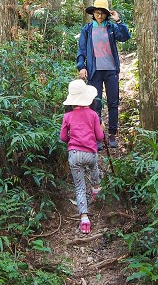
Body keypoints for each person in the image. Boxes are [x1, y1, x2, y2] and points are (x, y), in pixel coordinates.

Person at [76, 0, 131, 149]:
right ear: (93, 13)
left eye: (102, 13)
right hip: (94, 71)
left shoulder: (112, 28)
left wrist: (119, 20)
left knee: (113, 102)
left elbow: (125, 37)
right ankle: (98, 137)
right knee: (95, 104)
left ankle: (112, 134)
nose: (99, 16)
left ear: (107, 14)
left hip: (111, 70)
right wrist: (81, 66)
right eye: (97, 13)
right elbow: (81, 50)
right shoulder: (87, 29)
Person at [59, 79, 104, 234]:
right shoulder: (93, 115)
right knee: (94, 168)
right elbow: (99, 136)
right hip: (90, 153)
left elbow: (63, 137)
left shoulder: (68, 116)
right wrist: (101, 128)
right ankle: (96, 189)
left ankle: (84, 219)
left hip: (74, 155)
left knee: (79, 186)